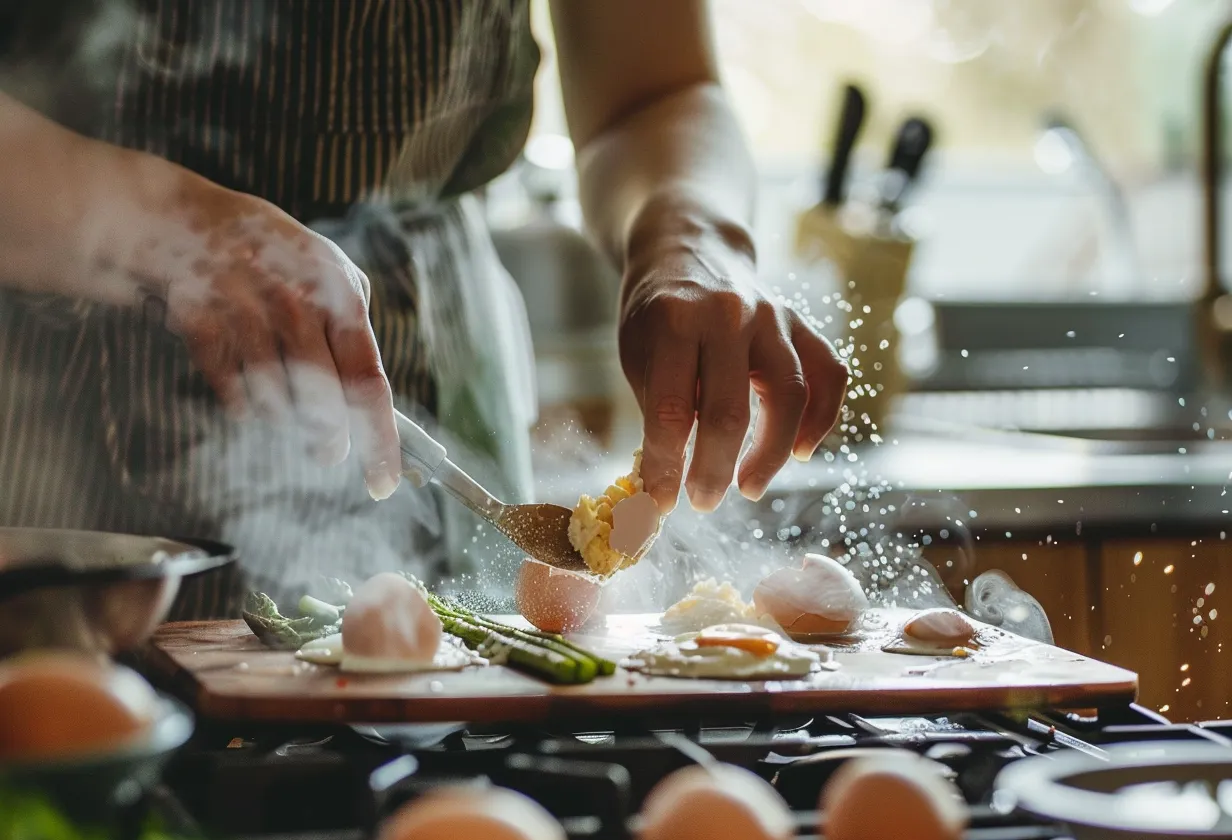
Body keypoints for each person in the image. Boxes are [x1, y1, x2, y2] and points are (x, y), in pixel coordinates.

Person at [0, 0, 847, 618]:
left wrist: (691, 233)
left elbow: (652, 92)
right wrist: (152, 220)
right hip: (65, 399)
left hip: (432, 355)